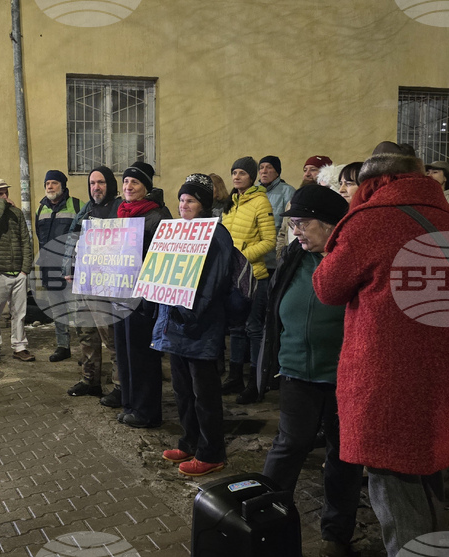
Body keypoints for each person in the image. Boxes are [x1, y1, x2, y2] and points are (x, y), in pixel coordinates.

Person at [313, 145, 449, 557]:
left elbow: (327, 289)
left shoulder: (370, 221)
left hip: (388, 376)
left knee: (392, 483)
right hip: (444, 371)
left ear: (373, 183)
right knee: (427, 474)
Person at [259, 185, 362, 557]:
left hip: (343, 375)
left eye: (302, 223)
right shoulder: (292, 257)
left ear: (330, 224)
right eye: (293, 223)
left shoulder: (351, 260)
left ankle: (336, 534)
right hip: (295, 369)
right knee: (290, 444)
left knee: (344, 455)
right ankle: (262, 519)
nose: (296, 230)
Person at [152, 173, 231, 476]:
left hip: (200, 326)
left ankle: (211, 451)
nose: (184, 205)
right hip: (175, 323)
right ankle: (190, 440)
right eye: (182, 200)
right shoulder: (174, 232)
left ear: (204, 205)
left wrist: (193, 314)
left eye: (191, 200)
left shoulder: (217, 235)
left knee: (205, 393)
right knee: (183, 389)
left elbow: (214, 283)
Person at [114, 161, 171, 428]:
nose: (128, 186)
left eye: (134, 182)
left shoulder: (157, 216)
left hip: (144, 297)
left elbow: (162, 258)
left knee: (143, 356)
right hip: (121, 293)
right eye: (126, 182)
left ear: (146, 188)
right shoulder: (122, 212)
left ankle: (147, 411)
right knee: (124, 352)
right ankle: (130, 403)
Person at [62, 166, 122, 399]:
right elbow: (72, 238)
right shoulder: (87, 210)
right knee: (86, 334)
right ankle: (90, 380)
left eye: (101, 183)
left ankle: (120, 386)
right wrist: (68, 267)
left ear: (110, 185)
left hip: (106, 284)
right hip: (83, 281)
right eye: (92, 183)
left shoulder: (119, 209)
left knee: (112, 338)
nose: (96, 187)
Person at [220, 156, 276, 402]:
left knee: (253, 328)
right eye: (234, 172)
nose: (236, 177)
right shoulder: (231, 204)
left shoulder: (260, 202)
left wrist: (243, 256)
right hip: (231, 276)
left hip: (254, 275)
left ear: (251, 177)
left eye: (242, 173)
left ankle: (255, 383)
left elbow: (269, 241)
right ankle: (235, 378)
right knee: (236, 328)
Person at [0, 179, 35, 366]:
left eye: (5, 193)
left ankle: (20, 347)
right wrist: (2, 205)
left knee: (19, 313)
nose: (4, 197)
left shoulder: (16, 214)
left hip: (18, 273)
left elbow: (25, 241)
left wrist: (25, 270)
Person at [36, 169, 82, 362]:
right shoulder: (41, 208)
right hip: (49, 268)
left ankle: (86, 351)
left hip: (71, 269)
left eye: (54, 183)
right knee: (57, 310)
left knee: (77, 311)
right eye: (47, 183)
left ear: (63, 186)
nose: (50, 186)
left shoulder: (77, 205)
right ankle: (63, 347)